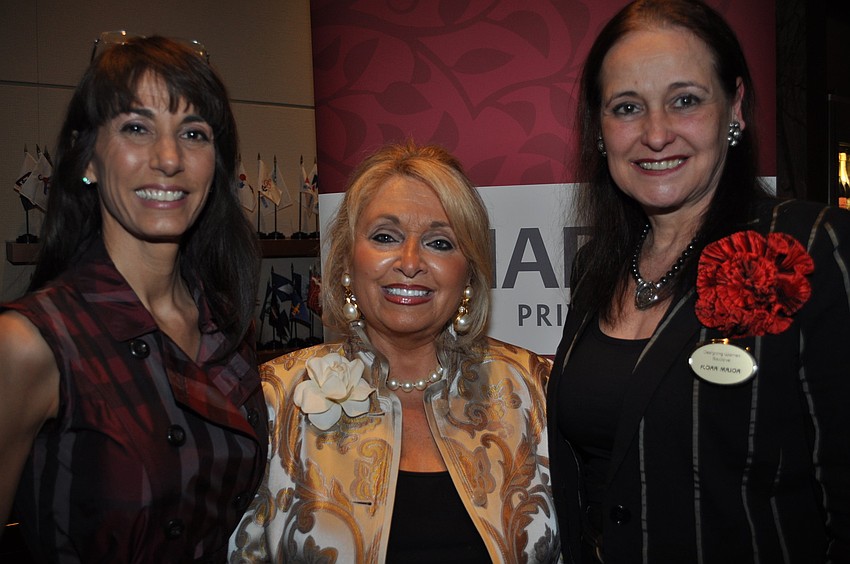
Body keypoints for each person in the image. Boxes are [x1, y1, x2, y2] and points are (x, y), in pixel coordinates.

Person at [546, 0, 850, 562]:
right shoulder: (596, 267)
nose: (656, 134)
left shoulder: (805, 247)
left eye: (685, 100)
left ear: (733, 107)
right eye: (627, 107)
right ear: (599, 128)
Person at [0, 35, 268, 562]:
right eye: (136, 128)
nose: (169, 159)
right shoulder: (30, 342)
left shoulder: (225, 327)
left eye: (193, 133)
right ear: (89, 159)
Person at [229, 141, 561, 563]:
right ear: (347, 263)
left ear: (470, 275)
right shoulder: (274, 399)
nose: (409, 262)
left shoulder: (535, 389)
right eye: (385, 237)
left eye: (440, 243)